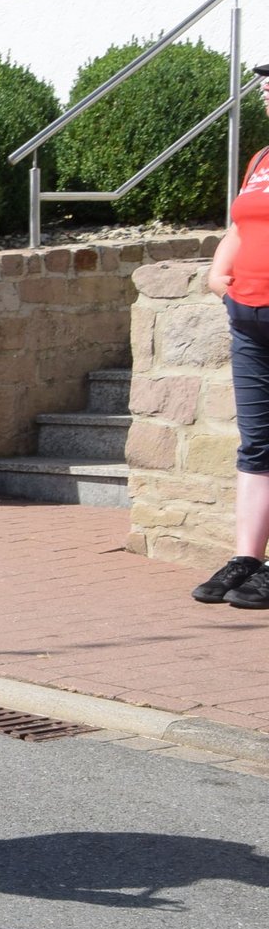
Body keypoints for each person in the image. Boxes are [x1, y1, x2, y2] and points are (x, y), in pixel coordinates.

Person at [194, 104, 269, 609]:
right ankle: (248, 558)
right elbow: (241, 226)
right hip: (249, 321)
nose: (266, 89)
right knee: (258, 445)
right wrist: (218, 275)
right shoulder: (262, 158)